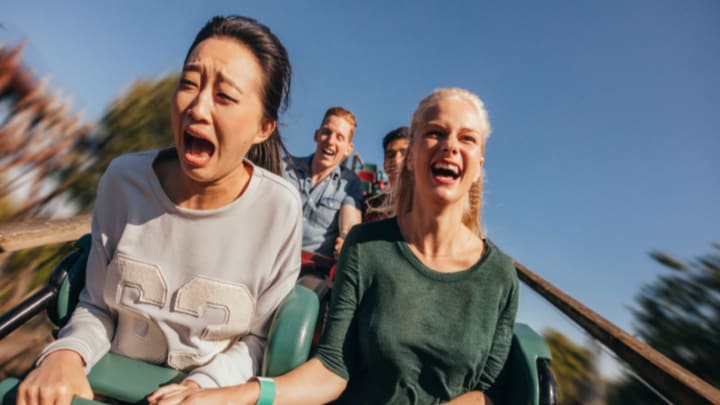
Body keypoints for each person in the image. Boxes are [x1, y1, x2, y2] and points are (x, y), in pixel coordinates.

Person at [159, 87, 520, 405]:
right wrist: (235, 396)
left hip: (309, 270)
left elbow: (490, 391)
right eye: (436, 132)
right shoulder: (367, 248)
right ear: (410, 156)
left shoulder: (500, 276)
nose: (450, 146)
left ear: (478, 165)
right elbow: (333, 366)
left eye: (467, 139)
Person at [17, 15, 302, 405]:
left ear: (263, 129)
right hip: (102, 385)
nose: (198, 108)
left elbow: (257, 341)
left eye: (225, 97)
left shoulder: (279, 211)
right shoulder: (123, 181)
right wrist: (66, 355)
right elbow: (96, 305)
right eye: (189, 84)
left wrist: (199, 388)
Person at [283, 107, 363, 258]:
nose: (330, 141)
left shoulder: (350, 183)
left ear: (348, 149)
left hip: (311, 272)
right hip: (268, 258)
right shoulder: (285, 167)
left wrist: (347, 240)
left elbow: (350, 224)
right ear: (316, 135)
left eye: (340, 137)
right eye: (326, 132)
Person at [363, 126, 409, 221]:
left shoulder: (430, 203)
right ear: (384, 165)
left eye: (404, 153)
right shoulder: (369, 206)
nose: (396, 160)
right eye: (390, 155)